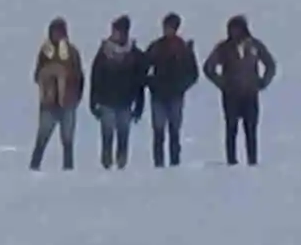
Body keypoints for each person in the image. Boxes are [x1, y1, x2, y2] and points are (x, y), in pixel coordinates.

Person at [204, 15, 277, 165]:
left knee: (251, 130)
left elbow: (270, 64)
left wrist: (263, 82)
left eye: (236, 29)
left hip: (250, 94)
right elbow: (209, 67)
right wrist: (222, 83)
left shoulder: (254, 45)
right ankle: (231, 161)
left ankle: (252, 160)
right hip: (231, 95)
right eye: (231, 29)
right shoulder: (224, 47)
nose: (233, 32)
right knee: (231, 129)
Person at [89, 15, 147, 169]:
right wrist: (93, 101)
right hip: (106, 100)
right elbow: (95, 77)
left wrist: (139, 105)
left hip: (125, 101)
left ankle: (122, 163)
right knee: (107, 135)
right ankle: (106, 163)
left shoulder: (134, 54)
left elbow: (140, 81)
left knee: (123, 135)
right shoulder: (104, 52)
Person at [144, 12, 200, 168]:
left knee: (174, 132)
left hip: (175, 95)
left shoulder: (183, 48)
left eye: (171, 27)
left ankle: (174, 161)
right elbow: (143, 68)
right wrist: (151, 83)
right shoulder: (156, 47)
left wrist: (182, 87)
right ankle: (159, 163)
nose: (168, 30)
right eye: (166, 27)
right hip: (159, 95)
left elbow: (193, 73)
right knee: (159, 132)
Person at [29, 17, 84, 171]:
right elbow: (37, 75)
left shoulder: (72, 52)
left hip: (68, 102)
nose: (57, 35)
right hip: (49, 103)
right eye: (55, 32)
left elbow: (79, 76)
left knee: (68, 140)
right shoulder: (45, 52)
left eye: (60, 32)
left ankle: (68, 169)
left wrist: (75, 96)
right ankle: (34, 167)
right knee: (42, 137)